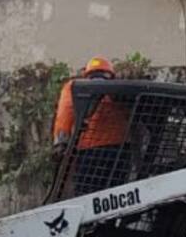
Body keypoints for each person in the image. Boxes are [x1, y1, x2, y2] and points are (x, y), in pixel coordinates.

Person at [52, 56, 130, 195]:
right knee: (117, 193)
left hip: (89, 152)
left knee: (87, 195)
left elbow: (65, 115)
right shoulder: (120, 89)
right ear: (111, 75)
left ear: (86, 73)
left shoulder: (74, 87)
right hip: (118, 151)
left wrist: (60, 142)